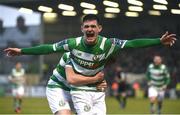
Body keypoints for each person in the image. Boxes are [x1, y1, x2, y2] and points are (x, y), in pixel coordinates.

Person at [4, 14, 176, 115]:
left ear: (99, 28)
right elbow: (48, 48)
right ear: (82, 29)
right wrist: (22, 51)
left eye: (93, 26)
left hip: (85, 87)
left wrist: (158, 41)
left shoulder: (108, 45)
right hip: (61, 86)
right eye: (86, 26)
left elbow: (132, 44)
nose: (90, 29)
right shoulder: (72, 46)